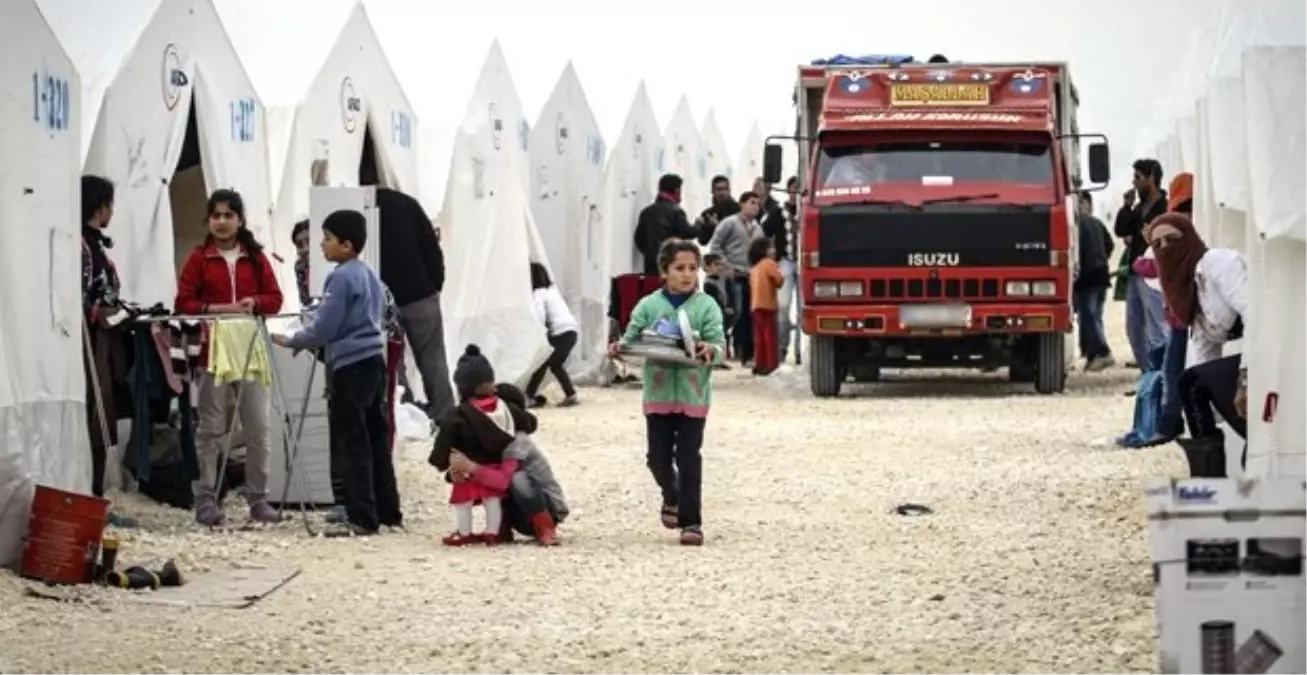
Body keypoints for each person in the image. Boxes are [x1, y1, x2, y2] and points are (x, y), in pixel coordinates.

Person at [271, 209, 401, 536]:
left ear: (346, 244)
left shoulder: (340, 277)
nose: (321, 245)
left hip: (349, 366)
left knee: (352, 441)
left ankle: (361, 516)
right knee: (376, 438)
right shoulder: (369, 274)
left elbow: (324, 327)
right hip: (373, 360)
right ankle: (389, 511)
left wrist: (292, 340)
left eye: (327, 238)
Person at [175, 189, 284, 526]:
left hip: (251, 350)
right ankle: (205, 498)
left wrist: (255, 303)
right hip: (213, 352)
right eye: (216, 215)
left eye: (228, 215)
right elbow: (184, 302)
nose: (221, 222)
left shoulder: (255, 257)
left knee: (258, 426)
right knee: (209, 427)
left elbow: (275, 299)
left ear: (240, 219)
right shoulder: (198, 258)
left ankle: (258, 498)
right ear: (209, 220)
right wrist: (217, 309)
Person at [607, 239, 726, 546]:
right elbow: (631, 339)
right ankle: (671, 494)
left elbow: (721, 347)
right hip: (658, 395)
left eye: (693, 268)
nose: (688, 275)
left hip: (693, 396)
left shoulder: (706, 305)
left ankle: (692, 522)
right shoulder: (648, 306)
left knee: (689, 457)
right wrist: (619, 349)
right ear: (663, 271)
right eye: (679, 268)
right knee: (656, 458)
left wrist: (708, 350)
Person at [1149, 212, 1247, 478]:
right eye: (1158, 245)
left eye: (1172, 238)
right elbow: (1205, 350)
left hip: (1277, 348)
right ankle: (1210, 478)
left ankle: (1211, 481)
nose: (1166, 248)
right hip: (1254, 359)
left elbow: (1257, 315)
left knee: (1192, 381)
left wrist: (1246, 378)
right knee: (1191, 383)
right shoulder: (1187, 288)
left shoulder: (1217, 264)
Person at [429, 346, 537, 546]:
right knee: (492, 501)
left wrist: (441, 462)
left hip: (466, 470)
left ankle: (464, 533)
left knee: (463, 503)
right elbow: (530, 423)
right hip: (496, 470)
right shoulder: (507, 409)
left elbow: (443, 445)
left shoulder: (457, 415)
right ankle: (492, 533)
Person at [80, 175, 137, 529]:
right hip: (90, 340)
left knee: (104, 417)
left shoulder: (97, 246)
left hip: (106, 340)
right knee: (94, 418)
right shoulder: (83, 247)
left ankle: (98, 499)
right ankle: (91, 500)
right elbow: (81, 297)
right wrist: (100, 314)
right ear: (100, 207)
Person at [371, 182, 455, 421]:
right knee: (432, 356)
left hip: (380, 299)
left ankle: (403, 411)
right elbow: (431, 247)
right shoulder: (407, 204)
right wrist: (435, 284)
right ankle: (444, 412)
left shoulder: (356, 208)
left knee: (392, 360)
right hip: (419, 293)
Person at [445, 392, 566, 547]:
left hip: (547, 509)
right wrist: (457, 472)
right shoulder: (492, 440)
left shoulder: (517, 441)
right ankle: (499, 530)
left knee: (517, 478)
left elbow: (503, 481)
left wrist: (471, 467)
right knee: (488, 475)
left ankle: (546, 528)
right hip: (520, 515)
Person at [1114, 159, 1170, 372]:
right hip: (1136, 273)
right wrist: (1126, 207)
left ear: (1151, 178)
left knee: (1156, 326)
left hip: (1154, 274)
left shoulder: (1165, 207)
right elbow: (1121, 230)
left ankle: (1161, 375)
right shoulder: (1139, 208)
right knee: (1134, 328)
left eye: (1138, 177)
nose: (1134, 183)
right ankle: (1149, 374)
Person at [708, 191, 764, 364]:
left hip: (751, 276)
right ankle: (734, 349)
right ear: (742, 204)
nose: (755, 206)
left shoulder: (757, 228)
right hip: (733, 276)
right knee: (736, 313)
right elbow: (715, 245)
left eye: (757, 204)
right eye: (751, 202)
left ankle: (747, 352)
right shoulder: (729, 223)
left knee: (749, 313)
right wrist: (725, 266)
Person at [525, 262, 580, 408]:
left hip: (560, 333)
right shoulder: (552, 292)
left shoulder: (539, 294)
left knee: (542, 362)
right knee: (555, 365)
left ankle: (529, 395)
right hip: (571, 332)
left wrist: (538, 331)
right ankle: (571, 394)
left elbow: (540, 315)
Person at [1073, 191, 1115, 371]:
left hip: (1087, 276)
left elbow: (1076, 254)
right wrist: (1103, 259)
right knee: (1094, 315)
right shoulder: (1097, 223)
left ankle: (1102, 352)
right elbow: (1110, 244)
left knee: (1088, 316)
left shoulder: (1078, 226)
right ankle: (1092, 355)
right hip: (1101, 275)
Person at [633, 174, 697, 276]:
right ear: (677, 191)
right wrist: (700, 225)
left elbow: (639, 239)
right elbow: (688, 233)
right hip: (671, 266)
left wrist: (651, 253)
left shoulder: (646, 212)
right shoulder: (676, 212)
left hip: (650, 268)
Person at [773, 176, 803, 364]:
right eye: (793, 190)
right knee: (783, 306)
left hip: (804, 262)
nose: (795, 194)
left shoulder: (808, 210)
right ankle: (781, 348)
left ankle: (800, 351)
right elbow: (764, 231)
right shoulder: (778, 212)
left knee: (802, 310)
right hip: (785, 261)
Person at [748, 237, 784, 375]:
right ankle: (771, 363)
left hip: (755, 305)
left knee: (759, 337)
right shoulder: (769, 263)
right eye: (770, 248)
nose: (773, 250)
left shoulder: (754, 267)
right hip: (768, 304)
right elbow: (779, 280)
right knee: (770, 336)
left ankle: (760, 363)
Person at [702, 253, 736, 364]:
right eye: (716, 265)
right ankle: (718, 358)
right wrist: (724, 308)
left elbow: (727, 295)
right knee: (718, 336)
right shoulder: (708, 283)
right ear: (707, 267)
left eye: (720, 265)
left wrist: (729, 306)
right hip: (717, 313)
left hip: (725, 312)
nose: (719, 267)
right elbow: (714, 300)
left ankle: (723, 357)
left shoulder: (722, 280)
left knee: (726, 335)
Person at [693, 175, 740, 246]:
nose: (722, 193)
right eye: (719, 189)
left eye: (725, 189)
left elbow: (739, 235)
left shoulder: (739, 210)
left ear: (729, 190)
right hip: (717, 253)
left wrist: (718, 225)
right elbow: (703, 241)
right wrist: (705, 227)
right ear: (712, 191)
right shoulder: (708, 214)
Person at [291, 219, 312, 307]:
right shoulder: (300, 266)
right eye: (299, 245)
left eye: (309, 242)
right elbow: (305, 301)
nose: (305, 249)